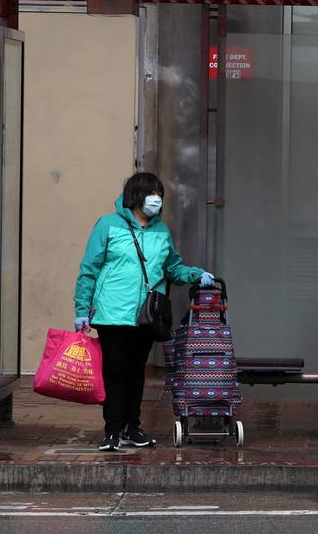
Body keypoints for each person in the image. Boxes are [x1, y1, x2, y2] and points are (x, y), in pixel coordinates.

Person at [73, 172, 215, 452]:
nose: (157, 199)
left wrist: (197, 274)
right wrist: (81, 308)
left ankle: (131, 428)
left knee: (136, 372)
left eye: (160, 194)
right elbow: (89, 269)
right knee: (115, 371)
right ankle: (112, 430)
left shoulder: (161, 231)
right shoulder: (108, 225)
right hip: (112, 313)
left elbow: (172, 268)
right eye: (152, 193)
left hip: (147, 314)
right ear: (136, 195)